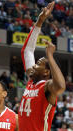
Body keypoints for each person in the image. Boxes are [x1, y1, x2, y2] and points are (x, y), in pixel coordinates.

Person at [19, 1, 66, 131]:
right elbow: (27, 51)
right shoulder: (31, 81)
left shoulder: (47, 87)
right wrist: (40, 21)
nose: (33, 66)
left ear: (46, 72)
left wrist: (50, 56)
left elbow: (61, 86)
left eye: (38, 64)